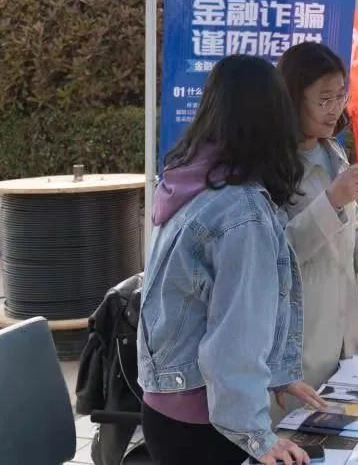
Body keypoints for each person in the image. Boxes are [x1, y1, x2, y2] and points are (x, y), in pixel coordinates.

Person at [137, 55, 327, 465]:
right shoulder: (242, 212)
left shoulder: (188, 180)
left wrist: (278, 375)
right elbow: (234, 338)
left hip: (167, 407)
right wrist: (256, 436)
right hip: (206, 423)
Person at [274, 42, 358, 407]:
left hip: (346, 333)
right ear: (292, 98)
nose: (335, 109)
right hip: (301, 345)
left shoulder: (332, 151)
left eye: (339, 97)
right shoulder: (271, 168)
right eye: (324, 99)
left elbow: (353, 230)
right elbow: (276, 256)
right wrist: (330, 201)